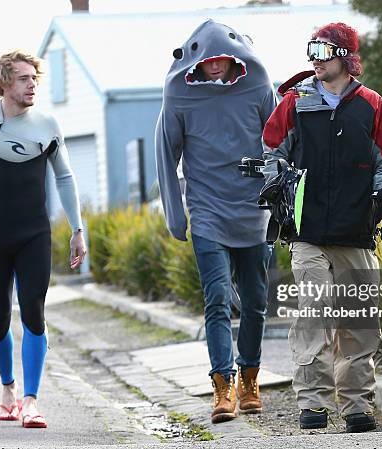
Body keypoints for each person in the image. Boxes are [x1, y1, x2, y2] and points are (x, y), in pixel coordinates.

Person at [262, 23, 382, 432]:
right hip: (307, 233)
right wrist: (277, 185)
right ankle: (314, 405)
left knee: (358, 322)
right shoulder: (294, 104)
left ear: (345, 57)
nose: (314, 61)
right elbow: (270, 148)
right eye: (312, 53)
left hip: (356, 231)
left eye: (322, 52)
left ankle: (357, 407)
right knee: (313, 314)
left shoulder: (372, 106)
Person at [0, 50, 86, 429]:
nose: (32, 85)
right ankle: (9, 388)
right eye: (24, 78)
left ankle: (31, 401)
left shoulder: (47, 124)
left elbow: (65, 178)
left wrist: (78, 230)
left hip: (34, 235)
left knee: (33, 311)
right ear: (5, 83)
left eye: (35, 79)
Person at [155, 19, 277, 424]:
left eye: (222, 57)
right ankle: (222, 387)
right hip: (206, 209)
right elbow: (165, 153)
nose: (215, 64)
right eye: (207, 58)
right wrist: (176, 213)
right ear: (196, 59)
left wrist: (281, 200)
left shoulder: (258, 85)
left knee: (257, 303)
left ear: (235, 56)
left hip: (253, 208)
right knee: (218, 300)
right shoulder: (178, 92)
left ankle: (250, 378)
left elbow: (279, 141)